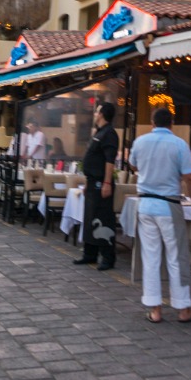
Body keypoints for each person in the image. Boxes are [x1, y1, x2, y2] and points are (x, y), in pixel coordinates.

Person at [129, 106, 191, 324]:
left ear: (152, 123)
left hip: (145, 204)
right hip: (169, 205)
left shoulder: (139, 142)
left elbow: (133, 164)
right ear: (172, 124)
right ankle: (183, 309)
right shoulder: (179, 144)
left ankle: (155, 310)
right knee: (176, 257)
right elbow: (190, 178)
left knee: (150, 257)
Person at [75, 102, 119, 271]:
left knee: (103, 218)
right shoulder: (99, 133)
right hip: (92, 182)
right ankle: (90, 253)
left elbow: (109, 161)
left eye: (97, 111)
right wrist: (87, 181)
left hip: (102, 182)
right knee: (90, 218)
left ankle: (108, 257)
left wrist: (107, 183)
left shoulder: (109, 134)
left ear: (102, 114)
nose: (94, 113)